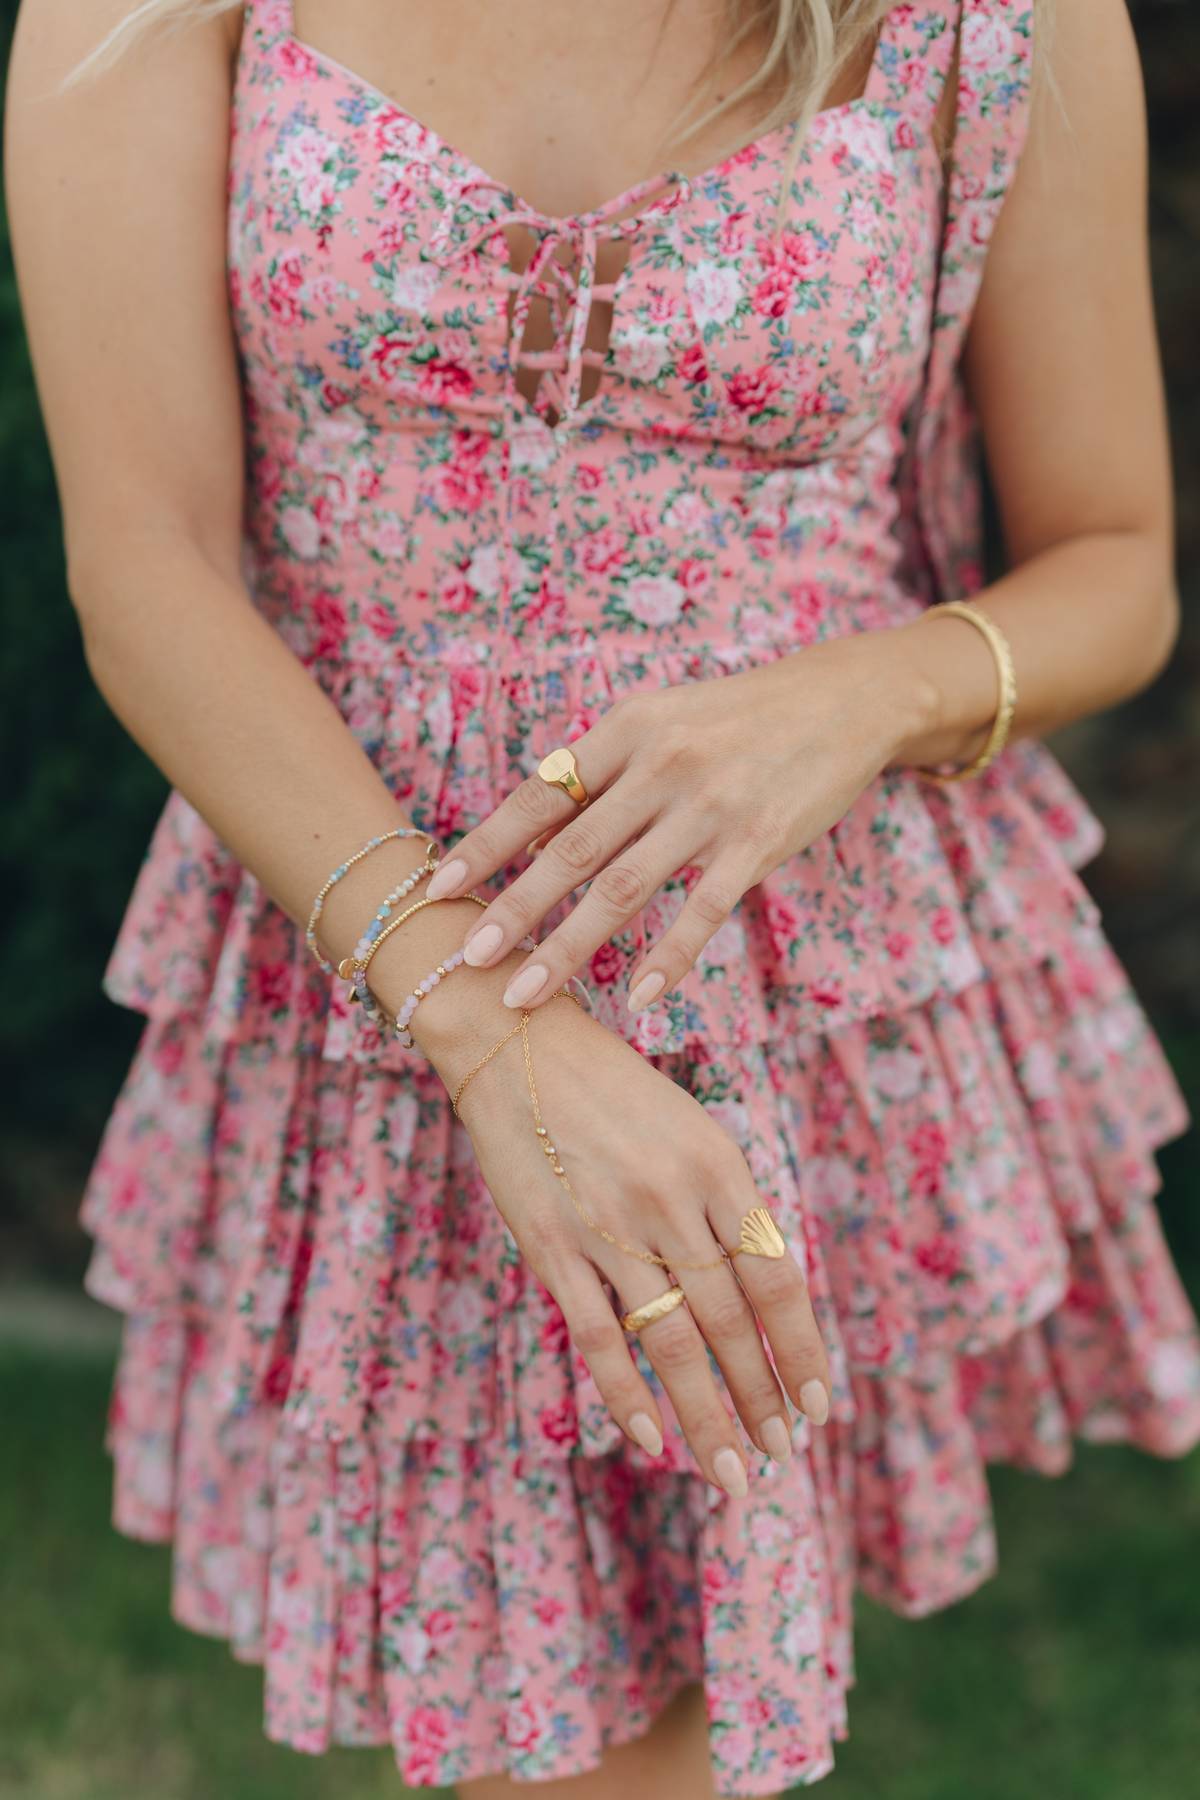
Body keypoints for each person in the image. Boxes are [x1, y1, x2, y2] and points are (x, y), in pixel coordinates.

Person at [7, 0, 1200, 1794]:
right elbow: (150, 562)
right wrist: (492, 1039)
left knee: (675, 1710)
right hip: (374, 951)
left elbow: (1117, 565)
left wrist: (856, 696)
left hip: (786, 976)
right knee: (567, 1743)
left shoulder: (997, 18)